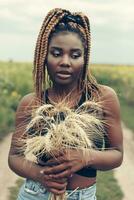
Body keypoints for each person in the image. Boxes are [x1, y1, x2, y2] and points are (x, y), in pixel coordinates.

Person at [8, 8, 123, 200]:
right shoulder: (31, 102)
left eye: (75, 55)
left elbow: (117, 155)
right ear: (44, 56)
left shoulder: (103, 97)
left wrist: (84, 156)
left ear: (85, 59)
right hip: (35, 194)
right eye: (56, 53)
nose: (65, 62)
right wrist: (41, 175)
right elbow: (14, 157)